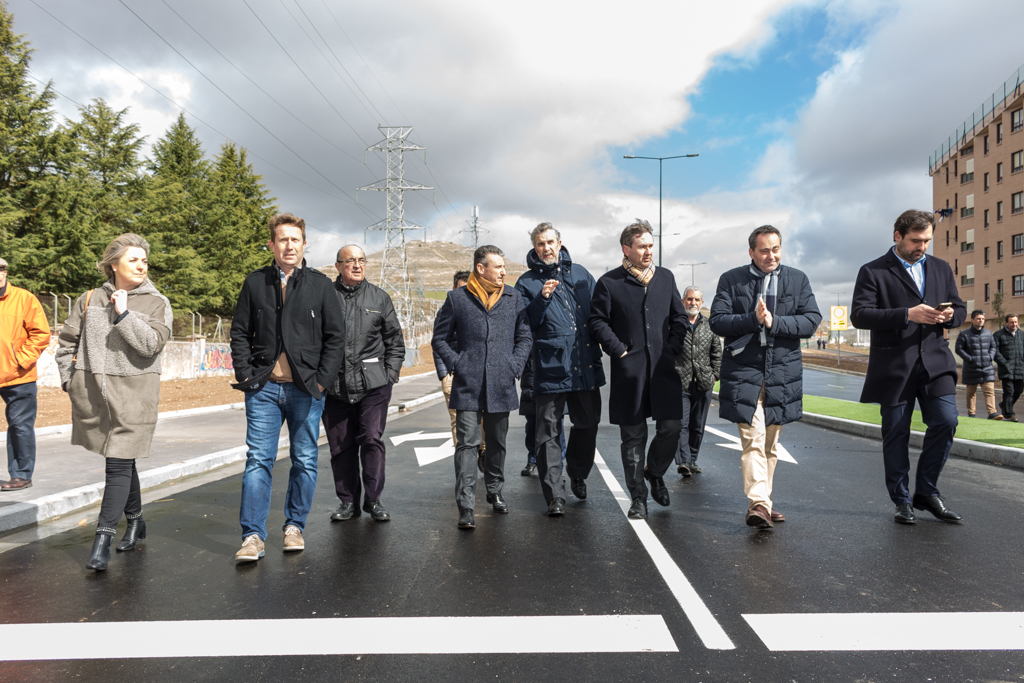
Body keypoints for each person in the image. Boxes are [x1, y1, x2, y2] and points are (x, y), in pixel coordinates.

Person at [229, 213, 345, 562]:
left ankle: (294, 527)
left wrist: (321, 381)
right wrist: (247, 375)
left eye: (295, 239)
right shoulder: (255, 283)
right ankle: (252, 537)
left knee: (305, 460)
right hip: (263, 390)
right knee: (258, 461)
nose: (289, 245)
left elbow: (335, 339)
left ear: (304, 244)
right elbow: (239, 333)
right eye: (282, 239)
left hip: (306, 391)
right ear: (272, 245)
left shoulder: (320, 285)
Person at [55, 234, 172, 571]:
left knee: (117, 465)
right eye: (133, 259)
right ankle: (135, 520)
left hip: (136, 398)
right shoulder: (89, 298)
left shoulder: (156, 302)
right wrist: (69, 380)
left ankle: (102, 539)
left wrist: (124, 315)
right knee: (122, 460)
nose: (141, 265)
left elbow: (150, 345)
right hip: (94, 396)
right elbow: (66, 344)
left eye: (144, 260)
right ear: (112, 265)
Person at [850, 209, 966, 525]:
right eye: (916, 240)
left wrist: (950, 316)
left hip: (936, 364)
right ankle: (902, 500)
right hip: (895, 367)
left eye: (927, 240)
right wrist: (906, 314)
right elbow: (859, 315)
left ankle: (926, 492)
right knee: (896, 434)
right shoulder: (873, 271)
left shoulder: (941, 268)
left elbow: (959, 308)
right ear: (897, 236)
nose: (922, 246)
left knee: (946, 421)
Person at [710, 225, 820, 529]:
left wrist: (774, 321)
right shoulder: (731, 279)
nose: (770, 255)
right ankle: (758, 502)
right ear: (751, 252)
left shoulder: (798, 279)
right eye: (763, 250)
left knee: (770, 445)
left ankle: (763, 503)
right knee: (753, 440)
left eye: (775, 249)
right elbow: (718, 321)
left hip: (782, 372)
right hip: (744, 371)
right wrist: (752, 319)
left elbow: (811, 320)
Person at [590, 219, 686, 520]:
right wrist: (618, 349)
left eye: (651, 246)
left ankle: (654, 472)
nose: (648, 251)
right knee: (633, 438)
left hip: (664, 370)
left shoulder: (666, 278)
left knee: (671, 428)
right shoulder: (608, 282)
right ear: (626, 248)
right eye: (642, 246)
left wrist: (671, 347)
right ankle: (638, 497)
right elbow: (596, 322)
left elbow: (679, 318)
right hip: (629, 374)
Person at [431, 245, 532, 529]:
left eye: (503, 266)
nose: (503, 271)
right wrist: (457, 363)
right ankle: (465, 506)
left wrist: (514, 365)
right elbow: (439, 339)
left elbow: (525, 337)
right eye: (497, 266)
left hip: (501, 382)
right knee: (467, 445)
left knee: (497, 444)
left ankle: (495, 490)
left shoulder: (513, 297)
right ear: (480, 268)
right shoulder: (457, 299)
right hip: (467, 385)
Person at [514, 223, 605, 516]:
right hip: (550, 368)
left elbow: (599, 315)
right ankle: (555, 495)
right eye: (541, 244)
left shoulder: (580, 274)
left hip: (584, 364)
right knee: (547, 435)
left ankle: (577, 472)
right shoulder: (526, 283)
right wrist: (542, 299)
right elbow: (524, 324)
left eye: (550, 242)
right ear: (535, 248)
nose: (547, 248)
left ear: (560, 242)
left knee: (588, 425)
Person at [322, 245, 404, 523]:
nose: (357, 265)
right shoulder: (325, 297)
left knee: (371, 439)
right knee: (340, 447)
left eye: (361, 260)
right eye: (350, 261)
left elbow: (395, 342)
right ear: (338, 266)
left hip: (373, 385)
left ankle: (373, 500)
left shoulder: (379, 298)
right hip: (335, 387)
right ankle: (348, 502)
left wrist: (389, 375)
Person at [0, 257, 50, 492]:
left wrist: (19, 361)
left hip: (19, 376)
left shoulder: (24, 298)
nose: (0, 273)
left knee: (20, 426)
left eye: (2, 268)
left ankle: (21, 475)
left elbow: (41, 334)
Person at [673, 285, 722, 477]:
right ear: (683, 301)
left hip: (703, 383)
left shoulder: (710, 326)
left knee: (697, 425)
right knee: (680, 424)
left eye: (696, 300)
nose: (692, 303)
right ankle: (683, 461)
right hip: (680, 383)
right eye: (689, 299)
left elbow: (717, 354)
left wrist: (714, 376)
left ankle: (692, 460)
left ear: (702, 303)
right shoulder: (675, 324)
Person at [434, 270, 469, 445]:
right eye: (460, 289)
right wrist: (444, 374)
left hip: (474, 373)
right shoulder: (444, 312)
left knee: (484, 421)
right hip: (452, 374)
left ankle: (483, 455)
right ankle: (462, 462)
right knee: (458, 421)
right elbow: (438, 342)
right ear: (453, 288)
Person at [518, 355, 566, 477]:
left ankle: (557, 466)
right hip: (532, 377)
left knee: (555, 426)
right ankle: (533, 460)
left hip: (554, 379)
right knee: (532, 425)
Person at [955, 310, 1001, 420]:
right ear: (972, 320)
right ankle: (971, 414)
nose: (981, 321)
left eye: (983, 319)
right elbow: (959, 349)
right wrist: (970, 359)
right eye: (978, 319)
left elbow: (993, 347)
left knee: (989, 391)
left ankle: (992, 413)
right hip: (971, 368)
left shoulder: (988, 333)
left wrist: (990, 357)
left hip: (987, 367)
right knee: (971, 393)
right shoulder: (964, 334)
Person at [993, 314, 1024, 422]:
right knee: (1009, 391)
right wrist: (1004, 363)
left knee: (1019, 390)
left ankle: (1004, 405)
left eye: (1015, 322)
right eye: (1011, 322)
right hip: (1006, 368)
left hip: (1020, 368)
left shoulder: (1021, 334)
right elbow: (995, 351)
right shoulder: (998, 335)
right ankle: (1009, 414)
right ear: (1006, 323)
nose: (1014, 324)